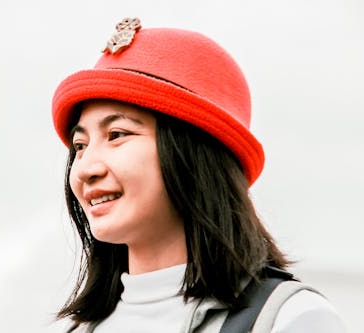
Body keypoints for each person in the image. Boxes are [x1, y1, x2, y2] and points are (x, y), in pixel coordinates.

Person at [50, 18, 346, 332]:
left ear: (194, 154)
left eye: (117, 134)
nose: (85, 169)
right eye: (80, 145)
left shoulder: (292, 319)